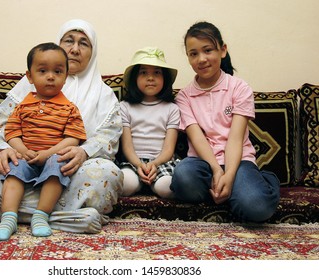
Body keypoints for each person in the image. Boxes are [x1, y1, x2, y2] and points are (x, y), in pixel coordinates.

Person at [0, 19, 123, 234]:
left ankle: (13, 215)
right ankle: (66, 219)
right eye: (69, 41)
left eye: (84, 43)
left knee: (107, 173)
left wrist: (82, 151)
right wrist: (4, 149)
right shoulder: (28, 85)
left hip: (66, 168)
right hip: (20, 163)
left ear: (93, 52)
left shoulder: (104, 95)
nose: (74, 49)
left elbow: (108, 137)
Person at [171, 21, 280, 222]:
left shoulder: (239, 88)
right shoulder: (184, 97)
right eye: (193, 54)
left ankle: (260, 182)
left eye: (208, 50)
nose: (201, 59)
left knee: (258, 208)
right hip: (202, 163)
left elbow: (236, 138)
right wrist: (214, 169)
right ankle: (227, 193)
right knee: (183, 178)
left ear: (222, 50)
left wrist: (228, 175)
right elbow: (197, 138)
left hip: (238, 161)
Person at [0, 42, 87, 241]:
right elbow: (11, 132)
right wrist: (22, 150)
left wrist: (49, 153)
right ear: (30, 76)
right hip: (27, 155)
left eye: (58, 71)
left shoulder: (70, 108)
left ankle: (41, 216)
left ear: (66, 76)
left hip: (51, 156)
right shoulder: (22, 106)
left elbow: (73, 137)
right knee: (13, 170)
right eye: (43, 71)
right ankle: (8, 218)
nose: (50, 76)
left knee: (59, 165)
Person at [119, 47, 180, 199]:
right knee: (126, 185)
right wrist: (139, 164)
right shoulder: (125, 107)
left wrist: (155, 164)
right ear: (135, 78)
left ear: (165, 78)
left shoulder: (172, 109)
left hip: (162, 162)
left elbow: (169, 149)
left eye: (157, 72)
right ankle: (140, 183)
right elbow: (126, 145)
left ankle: (154, 184)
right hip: (133, 161)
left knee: (166, 188)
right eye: (144, 72)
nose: (150, 78)